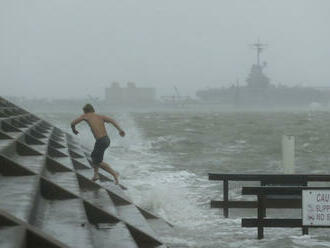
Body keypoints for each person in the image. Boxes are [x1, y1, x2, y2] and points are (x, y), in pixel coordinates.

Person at [71, 104, 125, 184]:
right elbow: (112, 120)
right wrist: (120, 130)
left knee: (97, 161)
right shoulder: (100, 116)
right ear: (93, 110)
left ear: (85, 111)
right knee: (95, 158)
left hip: (100, 140)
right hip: (106, 139)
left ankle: (114, 174)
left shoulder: (85, 116)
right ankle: (96, 175)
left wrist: (74, 130)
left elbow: (73, 123)